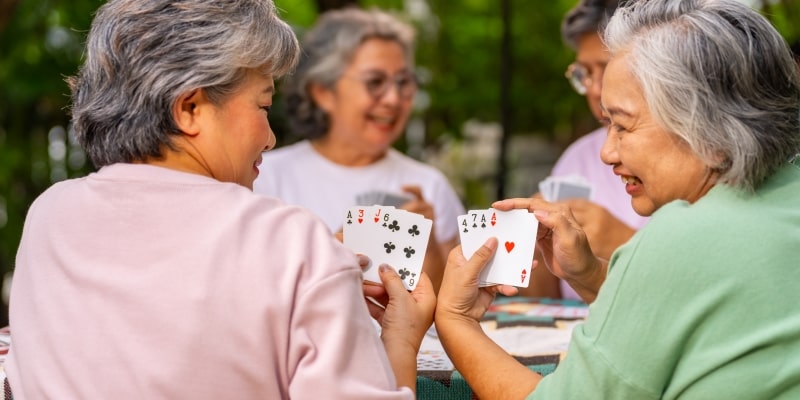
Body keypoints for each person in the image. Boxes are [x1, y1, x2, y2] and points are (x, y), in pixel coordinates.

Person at [4, 1, 435, 398]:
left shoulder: (49, 216)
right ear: (190, 108)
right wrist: (400, 341)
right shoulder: (293, 243)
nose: (270, 138)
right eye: (263, 106)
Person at [436, 0, 800, 398]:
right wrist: (591, 275)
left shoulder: (683, 233)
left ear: (711, 133)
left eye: (622, 126)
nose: (606, 153)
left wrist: (454, 321)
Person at [253, 7, 465, 292]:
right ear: (322, 92)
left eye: (404, 82)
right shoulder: (262, 177)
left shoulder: (430, 186)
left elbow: (450, 304)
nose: (393, 99)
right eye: (375, 82)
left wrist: (428, 248)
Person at [522, 0, 649, 300]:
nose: (594, 89)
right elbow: (542, 300)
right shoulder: (577, 157)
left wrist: (624, 244)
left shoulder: (690, 158)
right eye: (584, 72)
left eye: (607, 68)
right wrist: (533, 247)